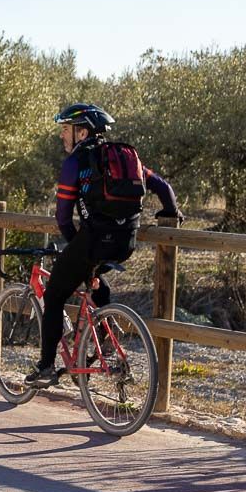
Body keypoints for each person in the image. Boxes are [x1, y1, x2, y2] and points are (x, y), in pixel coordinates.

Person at [25, 103, 181, 388]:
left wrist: (75, 246)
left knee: (56, 294)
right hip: (125, 243)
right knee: (94, 279)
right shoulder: (122, 157)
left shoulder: (75, 162)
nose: (62, 136)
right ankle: (108, 333)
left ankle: (46, 367)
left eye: (65, 130)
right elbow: (163, 187)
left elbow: (63, 217)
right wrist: (170, 213)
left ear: (82, 131)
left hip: (94, 240)